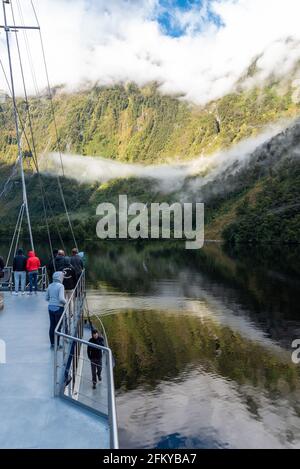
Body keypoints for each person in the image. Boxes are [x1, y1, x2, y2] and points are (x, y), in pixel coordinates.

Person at [45, 271, 66, 348]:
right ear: (60, 277)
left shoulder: (50, 285)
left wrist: (52, 301)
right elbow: (61, 299)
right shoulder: (61, 286)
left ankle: (52, 343)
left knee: (52, 326)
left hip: (50, 307)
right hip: (59, 308)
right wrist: (66, 302)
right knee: (58, 327)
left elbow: (46, 298)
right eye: (62, 276)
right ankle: (57, 344)